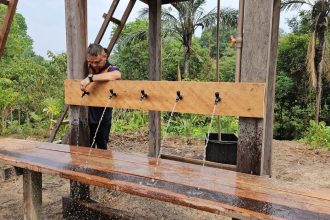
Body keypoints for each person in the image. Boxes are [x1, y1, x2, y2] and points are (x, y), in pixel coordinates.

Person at [80, 43, 121, 149]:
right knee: (89, 144)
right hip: (89, 111)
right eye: (91, 62)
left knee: (102, 144)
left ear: (105, 57)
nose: (93, 65)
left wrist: (90, 78)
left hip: (104, 112)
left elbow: (117, 75)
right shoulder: (87, 67)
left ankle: (105, 165)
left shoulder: (111, 68)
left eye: (97, 62)